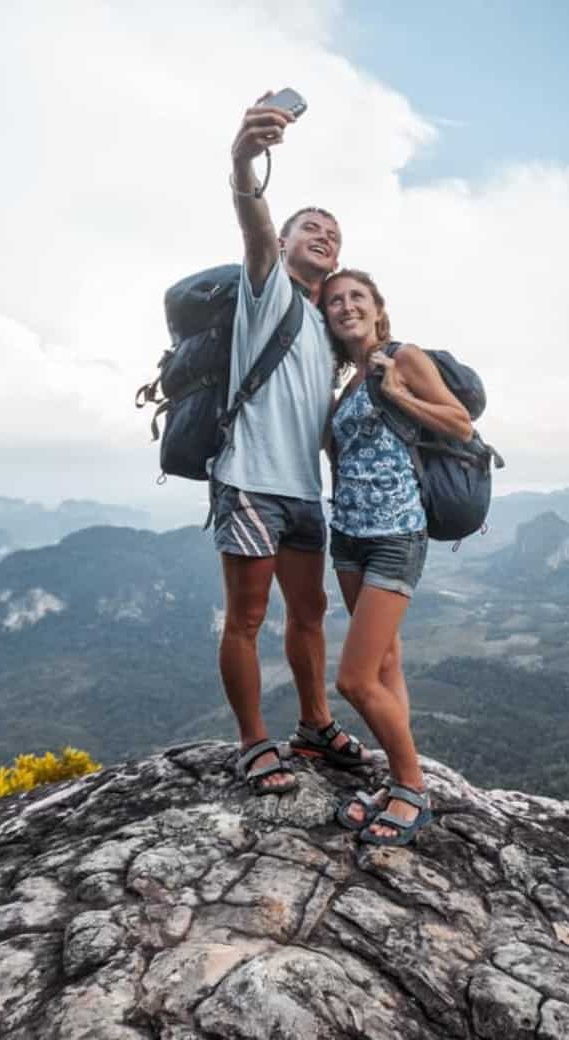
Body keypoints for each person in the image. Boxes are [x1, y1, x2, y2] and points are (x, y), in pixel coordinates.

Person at [215, 94, 370, 794]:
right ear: (283, 244)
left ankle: (314, 724)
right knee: (246, 618)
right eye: (311, 227)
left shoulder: (325, 328)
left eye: (334, 233)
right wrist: (246, 158)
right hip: (249, 478)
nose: (324, 236)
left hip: (304, 491)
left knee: (309, 614)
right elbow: (252, 220)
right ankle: (253, 742)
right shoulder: (266, 288)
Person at [318, 268, 472, 845]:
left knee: (354, 680)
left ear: (379, 309)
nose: (346, 306)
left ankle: (413, 789)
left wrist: (400, 393)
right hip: (350, 536)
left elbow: (459, 423)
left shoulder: (400, 358)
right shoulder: (348, 383)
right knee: (385, 668)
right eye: (335, 300)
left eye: (357, 297)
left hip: (395, 534)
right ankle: (395, 782)